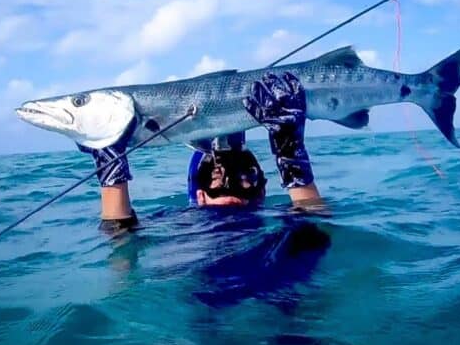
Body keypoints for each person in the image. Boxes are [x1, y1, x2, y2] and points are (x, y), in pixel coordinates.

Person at [79, 72, 322, 231]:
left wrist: (290, 149)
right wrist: (111, 175)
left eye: (246, 178)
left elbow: (315, 229)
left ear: (262, 190)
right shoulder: (177, 225)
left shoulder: (278, 220)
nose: (231, 185)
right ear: (200, 195)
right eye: (216, 178)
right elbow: (120, 247)